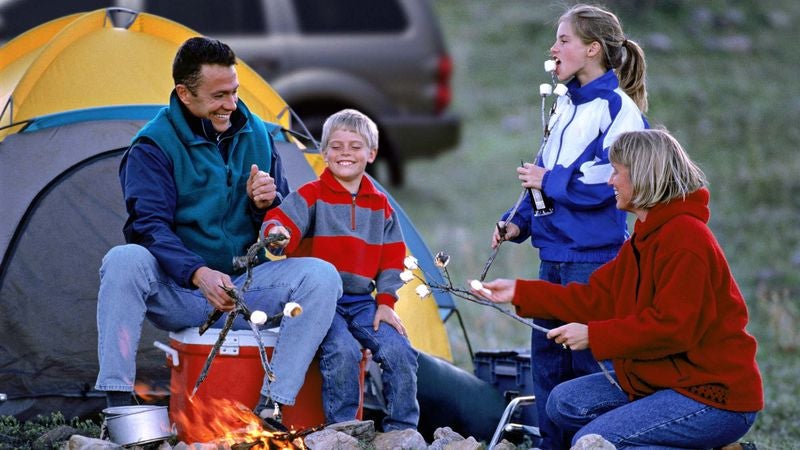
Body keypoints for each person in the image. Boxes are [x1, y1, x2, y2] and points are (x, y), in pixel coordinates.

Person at [94, 37, 341, 418]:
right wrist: (198, 274)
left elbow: (283, 235)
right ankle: (119, 407)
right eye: (219, 95)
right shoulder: (152, 146)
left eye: (235, 92)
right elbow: (148, 228)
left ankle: (273, 406)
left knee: (322, 276)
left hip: (247, 288)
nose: (231, 104)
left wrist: (268, 205)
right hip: (182, 291)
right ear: (184, 93)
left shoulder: (258, 135)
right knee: (123, 260)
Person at [477, 129, 763, 448]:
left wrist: (594, 336)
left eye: (617, 173)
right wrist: (518, 292)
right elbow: (597, 297)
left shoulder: (686, 240)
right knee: (562, 403)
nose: (610, 181)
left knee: (594, 441)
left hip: (713, 396)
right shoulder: (644, 237)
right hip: (663, 381)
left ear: (642, 177)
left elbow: (674, 328)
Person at [489, 4, 649, 448]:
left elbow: (610, 181)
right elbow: (541, 170)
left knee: (588, 371)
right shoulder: (563, 106)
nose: (553, 48)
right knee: (548, 367)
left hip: (593, 261)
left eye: (563, 40)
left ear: (593, 49)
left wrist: (550, 181)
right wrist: (517, 223)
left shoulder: (619, 110)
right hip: (553, 258)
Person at [261, 109, 419, 431]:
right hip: (321, 303)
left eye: (355, 146)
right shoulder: (311, 195)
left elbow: (392, 258)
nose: (345, 153)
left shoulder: (381, 205)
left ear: (371, 153)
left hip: (362, 301)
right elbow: (280, 224)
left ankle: (402, 431)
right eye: (336, 146)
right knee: (343, 351)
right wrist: (276, 235)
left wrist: (386, 303)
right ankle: (344, 431)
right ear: (323, 152)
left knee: (399, 349)